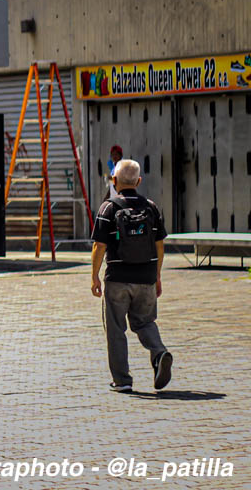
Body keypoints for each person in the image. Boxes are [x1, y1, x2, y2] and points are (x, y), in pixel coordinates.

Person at [91, 158, 172, 393]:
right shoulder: (151, 207)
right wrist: (157, 275)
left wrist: (94, 276)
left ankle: (122, 380)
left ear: (114, 181)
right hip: (146, 276)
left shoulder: (109, 208)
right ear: (138, 181)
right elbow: (159, 246)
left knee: (116, 329)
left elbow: (99, 246)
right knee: (145, 322)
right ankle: (159, 353)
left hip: (117, 277)